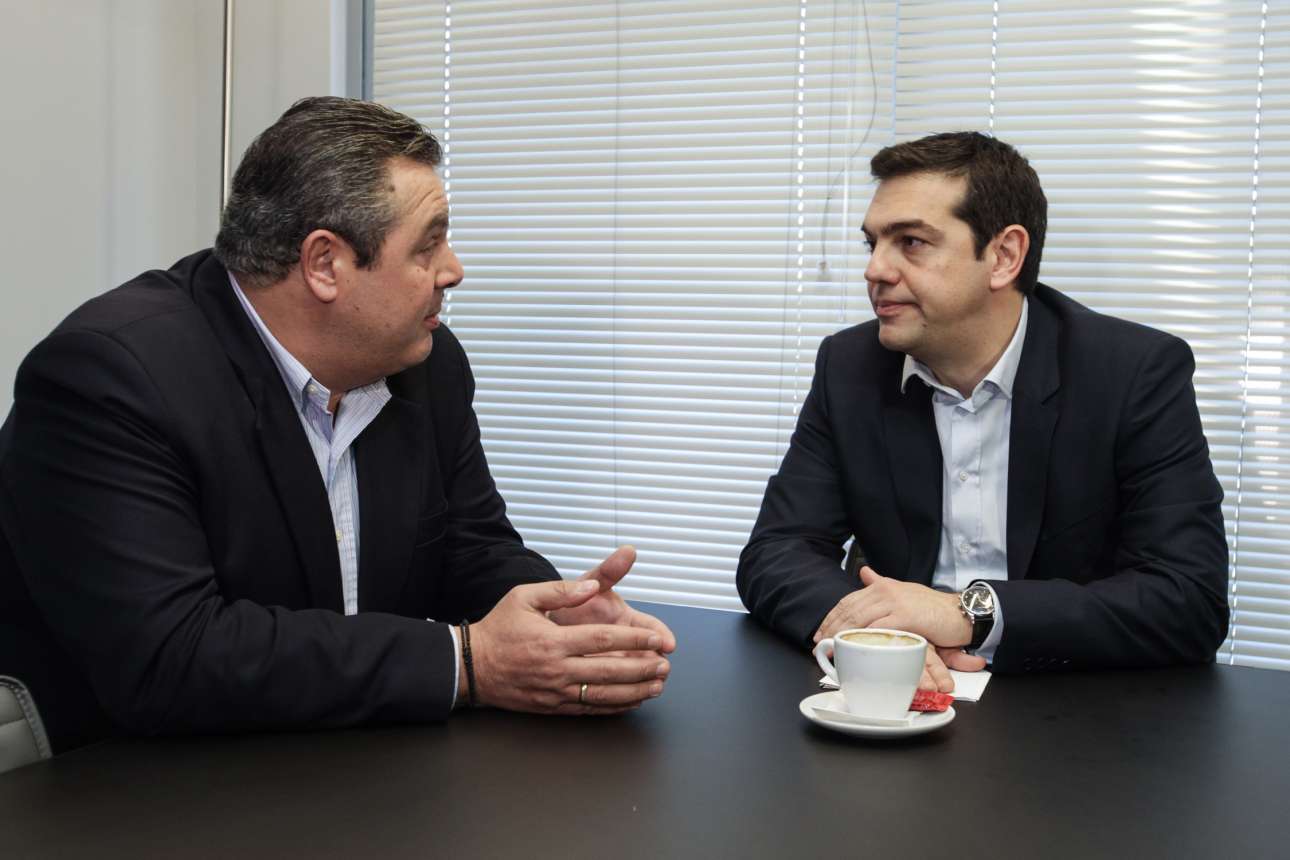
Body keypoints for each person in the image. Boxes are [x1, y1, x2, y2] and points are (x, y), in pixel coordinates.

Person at [0, 97, 674, 751]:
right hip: (130, 781)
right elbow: (170, 657)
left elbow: (470, 545)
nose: (454, 270)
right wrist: (468, 661)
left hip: (350, 760)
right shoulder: (111, 379)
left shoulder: (425, 363)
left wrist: (553, 614)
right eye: (428, 245)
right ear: (325, 264)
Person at [737, 131, 1229, 691]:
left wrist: (970, 613)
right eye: (872, 243)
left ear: (1003, 256)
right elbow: (777, 552)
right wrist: (870, 633)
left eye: (911, 242)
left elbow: (1188, 598)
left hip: (1071, 704)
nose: (875, 269)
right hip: (898, 692)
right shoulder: (849, 366)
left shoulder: (1132, 373)